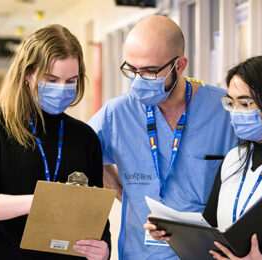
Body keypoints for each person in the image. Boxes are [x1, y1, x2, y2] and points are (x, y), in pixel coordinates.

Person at [145, 55, 262, 260]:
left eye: (245, 104)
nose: (235, 113)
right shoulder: (234, 158)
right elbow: (211, 227)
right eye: (231, 103)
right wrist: (172, 230)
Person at [88, 15, 237, 259]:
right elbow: (85, 154)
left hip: (207, 253)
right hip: (140, 252)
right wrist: (126, 197)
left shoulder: (224, 109)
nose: (138, 80)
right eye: (132, 70)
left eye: (149, 71)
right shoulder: (117, 113)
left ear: (179, 66)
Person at [0, 24, 110, 260]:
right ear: (28, 74)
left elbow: (96, 215)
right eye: (51, 79)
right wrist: (43, 201)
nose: (62, 88)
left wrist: (103, 249)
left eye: (71, 80)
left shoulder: (84, 137)